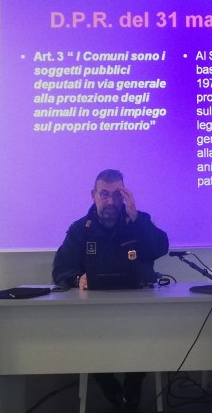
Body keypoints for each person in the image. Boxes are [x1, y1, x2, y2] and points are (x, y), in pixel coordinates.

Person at [52, 168, 169, 411]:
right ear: (93, 195)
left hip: (137, 307)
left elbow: (159, 248)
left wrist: (135, 216)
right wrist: (78, 279)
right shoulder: (80, 229)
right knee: (91, 340)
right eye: (104, 194)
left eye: (117, 195)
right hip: (94, 312)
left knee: (145, 334)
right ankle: (105, 381)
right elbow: (61, 269)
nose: (110, 201)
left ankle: (134, 383)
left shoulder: (138, 221)